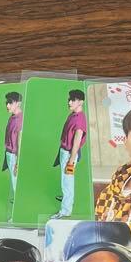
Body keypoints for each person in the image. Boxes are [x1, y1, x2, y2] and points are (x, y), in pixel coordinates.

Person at [53, 88, 87, 217]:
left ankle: (65, 210)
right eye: (69, 99)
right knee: (65, 180)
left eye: (73, 100)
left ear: (81, 102)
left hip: (69, 154)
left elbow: (77, 143)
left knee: (67, 182)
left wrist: (71, 161)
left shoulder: (79, 120)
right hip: (65, 152)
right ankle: (67, 199)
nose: (69, 102)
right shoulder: (73, 114)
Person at [3, 91, 23, 203]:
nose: (7, 105)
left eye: (10, 102)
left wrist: (17, 163)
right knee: (14, 179)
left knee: (16, 181)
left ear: (18, 103)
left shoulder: (19, 120)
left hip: (14, 155)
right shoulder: (13, 117)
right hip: (10, 153)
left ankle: (18, 204)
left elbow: (20, 143)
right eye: (7, 102)